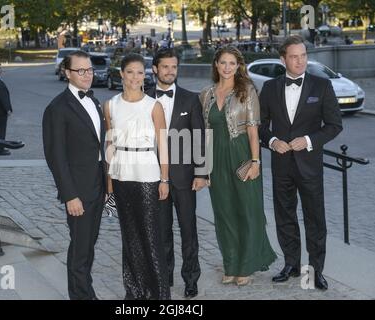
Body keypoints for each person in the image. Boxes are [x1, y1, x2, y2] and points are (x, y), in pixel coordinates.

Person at [259, 35, 343, 290]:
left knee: (315, 219)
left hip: (310, 165)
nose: (300, 61)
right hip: (281, 165)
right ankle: (291, 265)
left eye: (303, 55)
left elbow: (334, 126)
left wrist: (308, 139)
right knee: (285, 217)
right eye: (294, 57)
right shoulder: (270, 87)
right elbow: (260, 126)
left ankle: (315, 271)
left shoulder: (322, 85)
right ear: (283, 59)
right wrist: (272, 141)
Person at [199, 46, 277, 286]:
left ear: (238, 66)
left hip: (242, 155)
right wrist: (202, 168)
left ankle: (247, 265)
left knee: (247, 211)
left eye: (232, 63)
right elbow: (202, 134)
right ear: (216, 65)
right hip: (215, 158)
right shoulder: (206, 94)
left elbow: (254, 131)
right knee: (224, 213)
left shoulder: (247, 91)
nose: (227, 67)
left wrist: (255, 162)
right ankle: (231, 263)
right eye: (223, 62)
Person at [104, 53, 170, 300]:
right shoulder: (110, 105)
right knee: (129, 236)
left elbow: (163, 145)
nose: (135, 77)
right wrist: (109, 185)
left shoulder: (153, 106)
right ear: (121, 73)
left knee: (150, 236)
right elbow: (109, 146)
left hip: (147, 174)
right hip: (121, 174)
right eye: (130, 71)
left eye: (140, 72)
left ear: (146, 75)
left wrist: (164, 179)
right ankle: (134, 291)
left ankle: (160, 294)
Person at [42, 50, 106, 300]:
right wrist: (70, 196)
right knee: (80, 248)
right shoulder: (57, 108)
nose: (87, 74)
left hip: (98, 185)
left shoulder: (94, 100)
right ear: (67, 73)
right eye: (80, 70)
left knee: (89, 244)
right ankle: (81, 296)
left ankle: (84, 290)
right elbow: (56, 157)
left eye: (89, 69)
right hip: (78, 191)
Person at [146, 48, 206, 298]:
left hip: (185, 178)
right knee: (161, 232)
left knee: (188, 231)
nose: (170, 71)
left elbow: (200, 138)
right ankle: (165, 277)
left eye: (174, 67)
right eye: (166, 67)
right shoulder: (143, 99)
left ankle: (191, 279)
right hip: (154, 177)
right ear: (155, 69)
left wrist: (202, 173)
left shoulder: (191, 99)